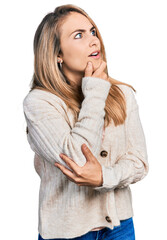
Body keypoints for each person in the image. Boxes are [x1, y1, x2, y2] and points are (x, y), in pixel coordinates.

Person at [23, 4, 149, 240]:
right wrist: (95, 92)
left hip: (120, 227)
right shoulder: (39, 103)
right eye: (78, 35)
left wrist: (104, 177)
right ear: (57, 53)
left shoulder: (122, 94)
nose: (94, 40)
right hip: (66, 233)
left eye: (93, 31)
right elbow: (77, 159)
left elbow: (140, 163)